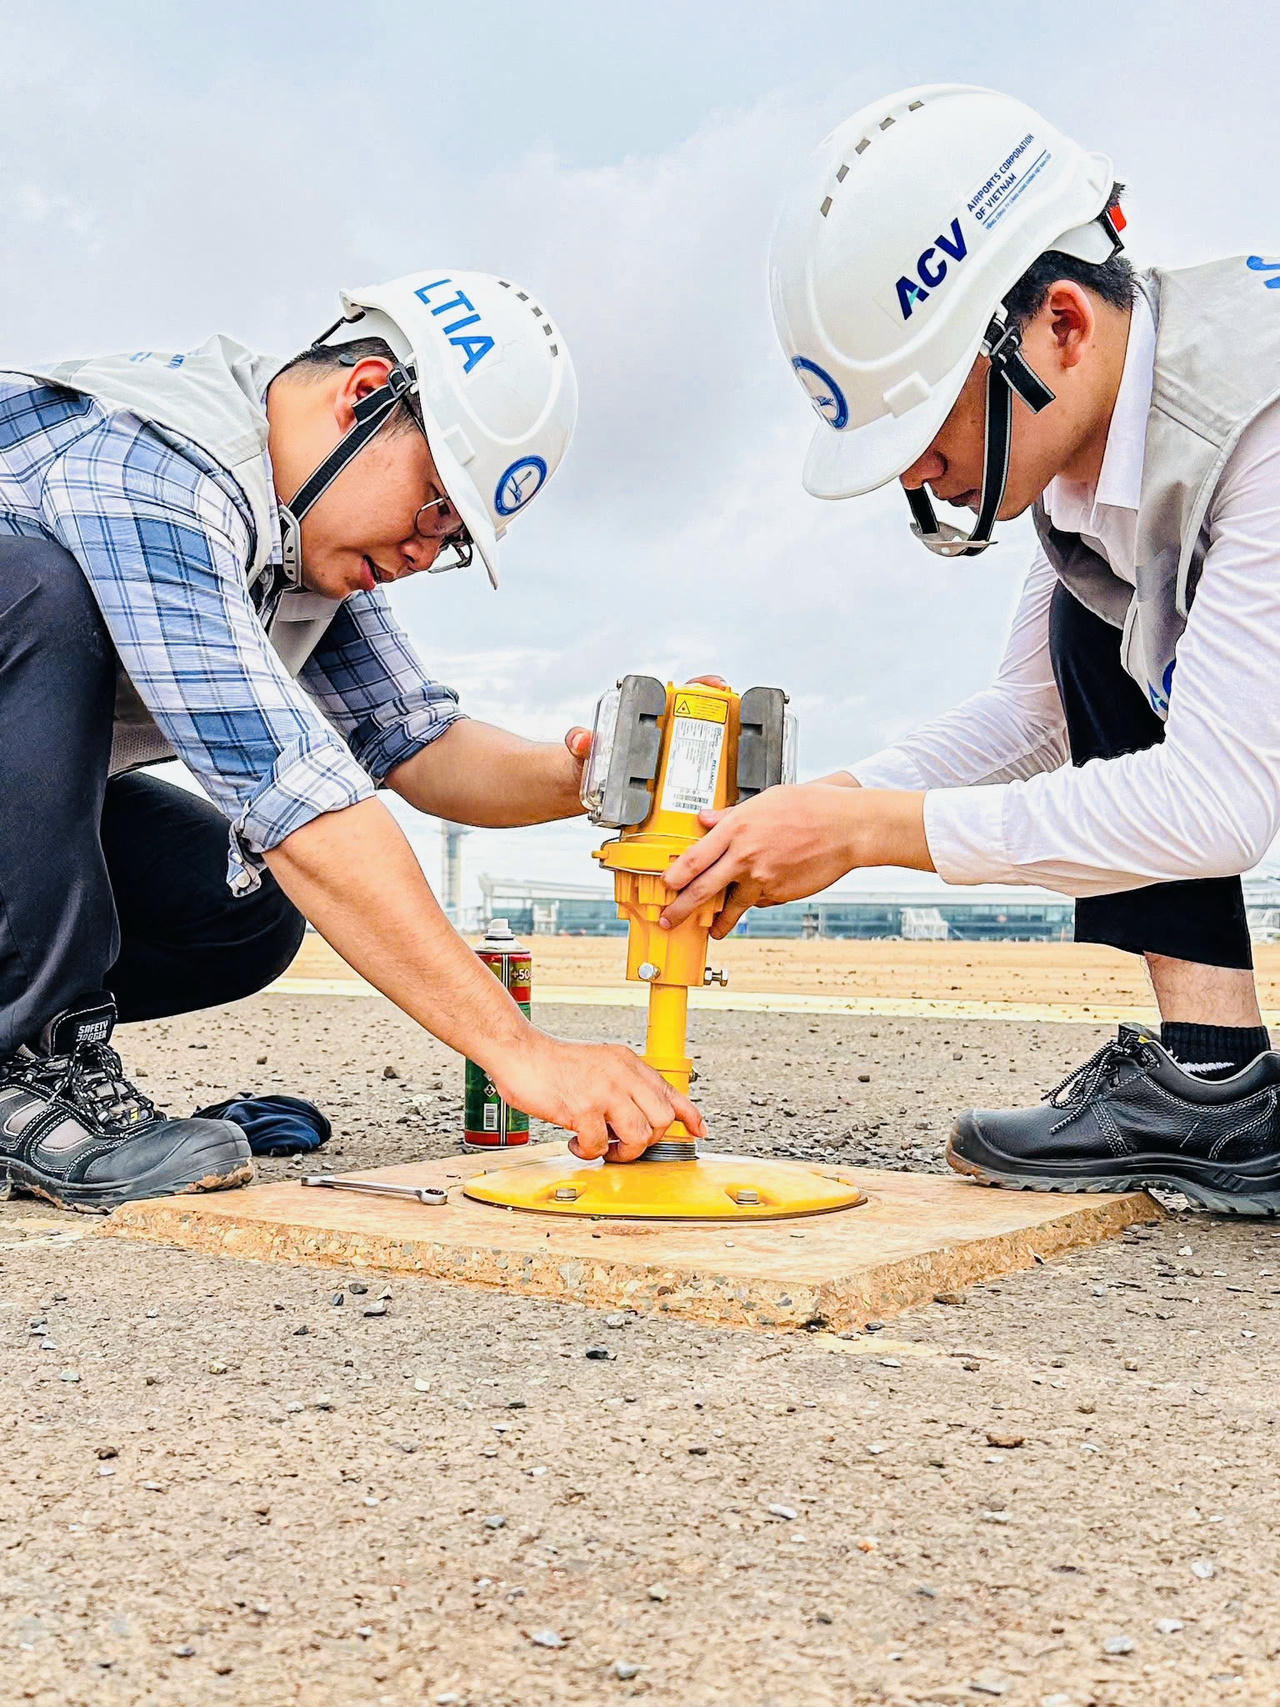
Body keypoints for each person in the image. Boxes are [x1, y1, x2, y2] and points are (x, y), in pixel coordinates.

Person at [661, 83, 1280, 1214]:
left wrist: (868, 832)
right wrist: (820, 811)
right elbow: (1033, 717)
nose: (909, 472)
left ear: (1060, 322)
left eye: (923, 415)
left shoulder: (1257, 421)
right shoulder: (1095, 448)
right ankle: (1213, 1087)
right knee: (1088, 627)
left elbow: (1220, 801)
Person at [0, 268, 701, 1212]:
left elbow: (415, 741)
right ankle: (25, 1070)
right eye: (436, 505)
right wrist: (523, 1054)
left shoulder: (300, 534)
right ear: (366, 398)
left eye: (451, 537)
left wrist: (587, 778)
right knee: (28, 583)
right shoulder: (153, 464)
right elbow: (294, 792)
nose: (425, 552)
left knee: (237, 908)